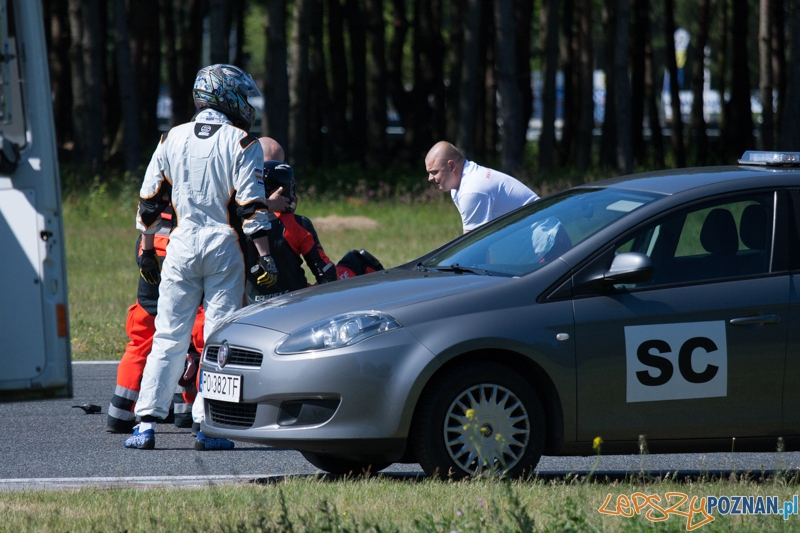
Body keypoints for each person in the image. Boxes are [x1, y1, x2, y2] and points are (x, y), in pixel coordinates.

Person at [123, 64, 287, 451]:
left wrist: (148, 249)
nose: (247, 104)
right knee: (217, 338)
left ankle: (145, 422)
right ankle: (208, 425)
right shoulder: (243, 142)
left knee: (168, 334)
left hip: (180, 245)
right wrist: (265, 259)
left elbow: (149, 205)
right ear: (227, 96)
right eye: (242, 96)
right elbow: (252, 208)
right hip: (222, 246)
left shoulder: (170, 138)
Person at [106, 208, 205, 434]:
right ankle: (192, 414)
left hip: (151, 267)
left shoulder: (156, 193)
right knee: (198, 343)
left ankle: (119, 414)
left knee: (140, 345)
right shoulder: (197, 195)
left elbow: (140, 242)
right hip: (186, 263)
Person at [425, 141, 539, 233]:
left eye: (434, 172)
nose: (430, 178)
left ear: (451, 166)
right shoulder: (462, 182)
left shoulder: (472, 190)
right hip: (528, 235)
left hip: (542, 236)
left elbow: (472, 244)